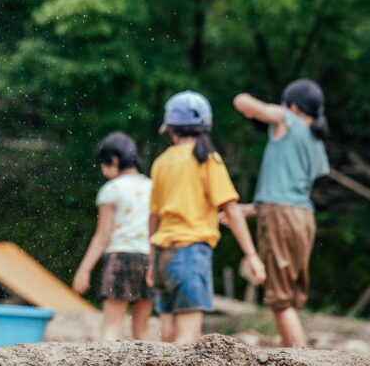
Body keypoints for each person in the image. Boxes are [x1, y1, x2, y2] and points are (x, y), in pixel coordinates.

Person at [147, 90, 266, 344]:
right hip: (190, 254)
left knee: (166, 334)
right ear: (206, 127)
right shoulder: (208, 159)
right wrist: (252, 255)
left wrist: (150, 259)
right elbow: (231, 210)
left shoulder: (161, 162)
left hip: (162, 255)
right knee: (187, 336)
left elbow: (154, 217)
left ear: (172, 130)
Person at [229, 79, 330, 348]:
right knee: (288, 296)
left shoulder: (290, 120)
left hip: (281, 217)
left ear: (293, 107)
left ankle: (300, 360)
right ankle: (295, 353)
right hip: (303, 217)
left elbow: (241, 100)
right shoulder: (315, 140)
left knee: (279, 299)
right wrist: (247, 210)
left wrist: (262, 110)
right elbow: (288, 190)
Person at [72, 132, 155, 341]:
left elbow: (102, 235)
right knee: (142, 330)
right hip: (149, 258)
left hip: (120, 259)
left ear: (115, 160)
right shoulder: (152, 187)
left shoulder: (111, 190)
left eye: (104, 163)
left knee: (111, 327)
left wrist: (84, 269)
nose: (103, 169)